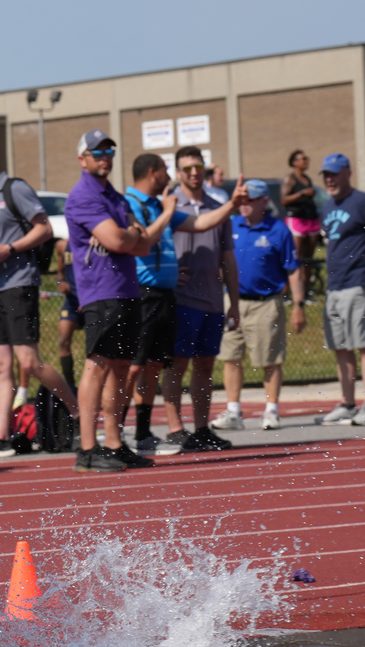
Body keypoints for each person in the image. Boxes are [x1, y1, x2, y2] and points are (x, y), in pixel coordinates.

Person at [63, 131, 181, 473]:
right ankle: (87, 448)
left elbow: (143, 246)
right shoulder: (83, 195)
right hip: (102, 290)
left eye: (109, 149)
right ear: (82, 158)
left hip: (127, 289)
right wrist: (131, 236)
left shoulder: (114, 196)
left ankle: (114, 443)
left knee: (119, 368)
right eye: (96, 151)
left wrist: (132, 237)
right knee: (98, 364)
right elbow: (117, 239)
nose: (104, 155)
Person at [0, 145, 78, 456]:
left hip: (19, 285)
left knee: (29, 362)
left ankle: (80, 414)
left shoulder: (14, 189)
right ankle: (1, 435)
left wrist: (11, 248)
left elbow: (44, 228)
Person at [123, 153, 242, 456]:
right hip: (152, 295)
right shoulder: (139, 203)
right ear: (159, 172)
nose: (190, 173)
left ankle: (149, 432)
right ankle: (119, 432)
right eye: (177, 169)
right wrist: (166, 212)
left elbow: (202, 224)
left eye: (197, 167)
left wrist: (232, 205)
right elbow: (142, 242)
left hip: (183, 297)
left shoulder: (163, 204)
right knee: (138, 367)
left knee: (155, 367)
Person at [162, 147, 242, 452]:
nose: (194, 172)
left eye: (198, 166)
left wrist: (233, 302)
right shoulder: (169, 204)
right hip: (181, 298)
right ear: (178, 172)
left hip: (212, 299)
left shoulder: (218, 206)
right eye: (187, 168)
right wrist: (168, 271)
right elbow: (151, 245)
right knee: (177, 363)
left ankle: (201, 428)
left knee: (206, 365)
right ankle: (174, 428)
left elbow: (228, 258)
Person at [212, 180, 306, 431]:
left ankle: (271, 411)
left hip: (266, 304)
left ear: (265, 201)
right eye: (242, 199)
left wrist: (298, 305)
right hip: (233, 302)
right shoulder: (231, 225)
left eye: (251, 199)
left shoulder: (278, 230)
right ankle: (233, 412)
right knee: (231, 357)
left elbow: (293, 271)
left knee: (270, 360)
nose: (244, 204)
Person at [316, 153, 365, 426]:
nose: (329, 179)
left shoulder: (364, 202)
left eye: (334, 173)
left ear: (347, 173)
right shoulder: (327, 207)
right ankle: (348, 403)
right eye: (326, 174)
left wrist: (364, 262)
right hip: (335, 285)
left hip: (360, 282)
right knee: (340, 346)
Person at [282, 149, 323, 268]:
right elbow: (284, 199)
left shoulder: (307, 179)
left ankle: (307, 285)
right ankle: (292, 285)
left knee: (308, 259)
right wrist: (303, 193)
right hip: (297, 219)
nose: (307, 161)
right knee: (296, 257)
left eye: (307, 158)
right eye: (303, 159)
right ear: (295, 163)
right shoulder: (290, 178)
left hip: (311, 219)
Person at [53, 237, 82, 387]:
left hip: (91, 300)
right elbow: (60, 272)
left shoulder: (90, 243)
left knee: (95, 347)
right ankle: (71, 387)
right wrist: (60, 282)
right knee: (64, 341)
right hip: (71, 301)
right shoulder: (62, 245)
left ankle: (95, 386)